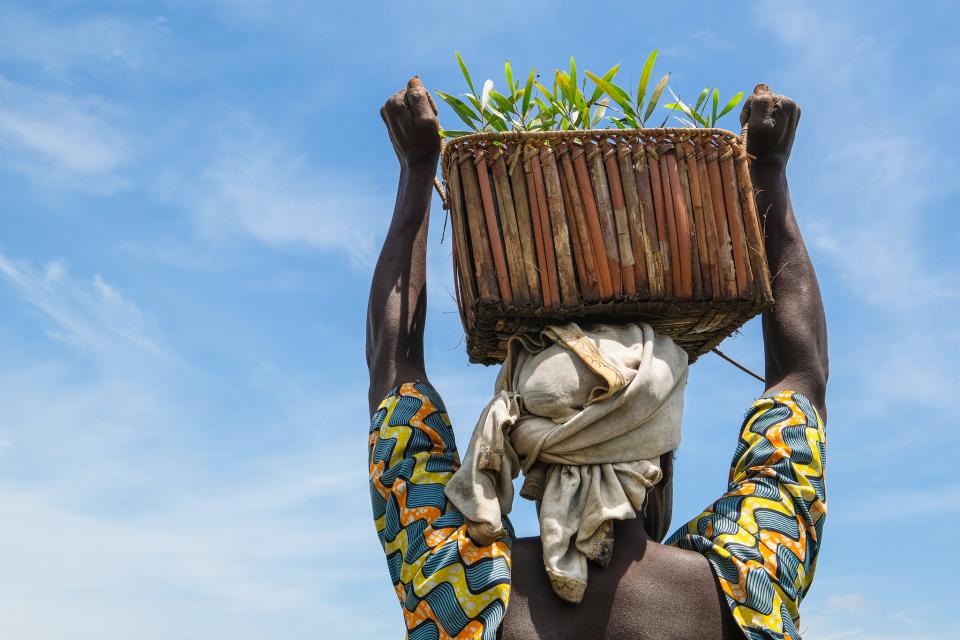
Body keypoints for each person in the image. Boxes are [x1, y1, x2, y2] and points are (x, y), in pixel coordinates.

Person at [367, 77, 828, 640]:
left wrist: (416, 170)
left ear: (527, 455)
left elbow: (393, 373)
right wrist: (771, 174)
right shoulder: (748, 581)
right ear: (655, 460)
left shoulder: (458, 585)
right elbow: (800, 379)